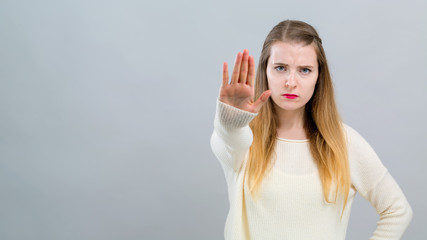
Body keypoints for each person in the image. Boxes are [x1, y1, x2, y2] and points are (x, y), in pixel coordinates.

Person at [210, 20, 413, 240]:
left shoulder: (342, 142)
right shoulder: (243, 137)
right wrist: (231, 119)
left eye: (304, 70)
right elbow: (228, 140)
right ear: (265, 70)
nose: (291, 82)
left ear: (318, 77)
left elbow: (397, 210)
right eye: (280, 68)